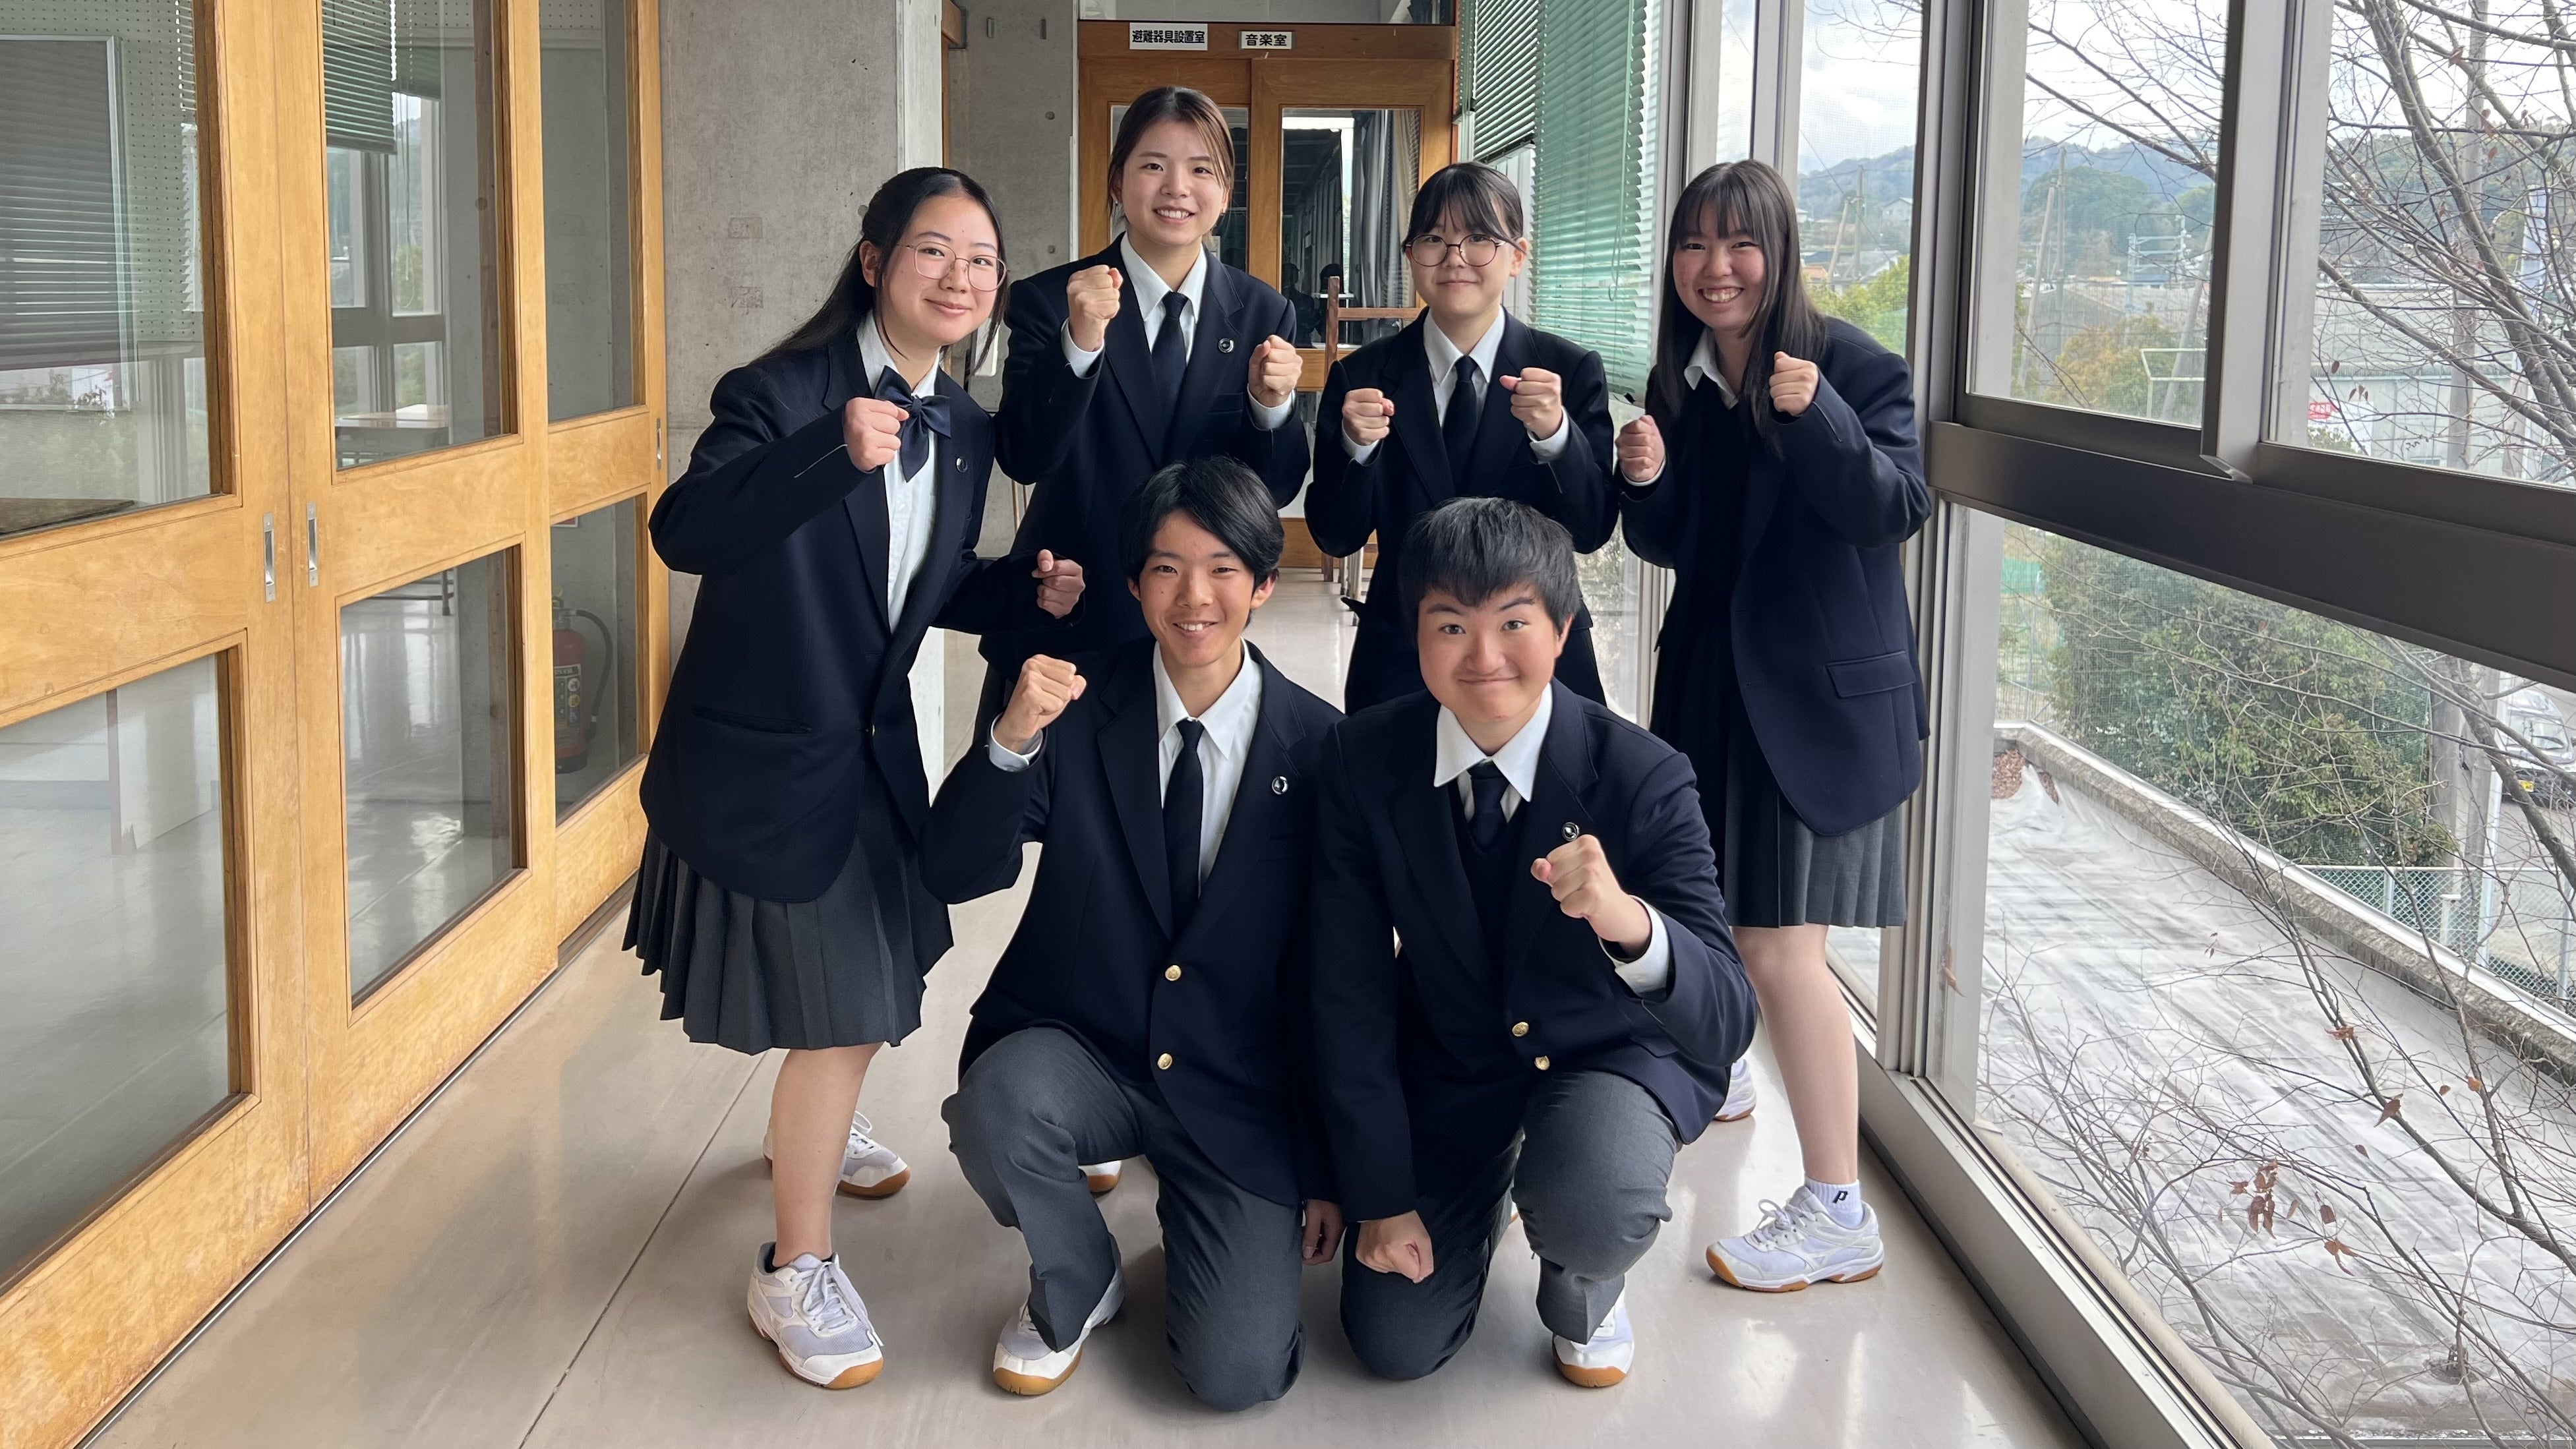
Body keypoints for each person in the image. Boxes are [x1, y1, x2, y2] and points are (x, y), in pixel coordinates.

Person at [627, 167, 1083, 1390]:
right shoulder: (778, 393)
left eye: (981, 261)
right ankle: (795, 1264)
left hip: (872, 749)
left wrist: (1022, 592)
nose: (960, 278)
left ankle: (811, 1136)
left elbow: (914, 584)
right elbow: (685, 532)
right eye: (933, 251)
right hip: (765, 753)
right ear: (875, 261)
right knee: (843, 1013)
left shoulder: (965, 424)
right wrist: (827, 453)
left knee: (882, 977)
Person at [1309, 497, 1758, 1388]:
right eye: (1451, 625)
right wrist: (1380, 1194)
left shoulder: (1643, 775)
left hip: (1606, 1052)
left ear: (1562, 632)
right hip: (1452, 1058)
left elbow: (1727, 1016)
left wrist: (1628, 921)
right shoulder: (1361, 760)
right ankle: (1492, 1188)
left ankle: (1582, 1278)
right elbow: (1346, 988)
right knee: (1393, 1344)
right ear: (1414, 635)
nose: (1483, 656)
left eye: (1514, 622)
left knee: (1591, 1204)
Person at [926, 458, 1344, 1408]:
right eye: (1166, 569)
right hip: (1090, 1044)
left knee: (1235, 1374)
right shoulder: (1077, 708)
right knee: (998, 1107)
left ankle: (1217, 1225)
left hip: (1239, 1087)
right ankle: (1080, 1274)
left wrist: (1325, 1162)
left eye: (1222, 569)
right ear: (1131, 583)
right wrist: (1008, 741)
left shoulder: (1323, 747)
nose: (1194, 597)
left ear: (1264, 583)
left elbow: (1339, 977)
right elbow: (954, 872)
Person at [1613, 159, 1929, 1291]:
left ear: (1778, 251)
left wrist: (1816, 413)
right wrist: (1645, 480)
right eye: (1693, 244)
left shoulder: (1851, 365)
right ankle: (1727, 1069)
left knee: (1782, 948)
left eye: (1737, 242)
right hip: (1714, 689)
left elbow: (1893, 506)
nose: (1715, 268)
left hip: (1815, 704)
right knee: (1711, 910)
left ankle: (1837, 1205)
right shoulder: (1685, 378)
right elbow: (1676, 544)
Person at [986, 84, 1308, 724]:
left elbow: (1272, 488)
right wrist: (1079, 344)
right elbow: (1024, 455)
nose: (1176, 188)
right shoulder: (1050, 300)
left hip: (1196, 627)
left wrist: (1270, 405)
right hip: (1072, 614)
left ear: (1226, 192)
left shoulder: (1263, 312)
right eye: (1153, 165)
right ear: (1117, 181)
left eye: (1201, 170)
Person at [1307, 162, 1620, 713]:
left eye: (1479, 239)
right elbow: (1335, 535)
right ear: (1410, 256)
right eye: (1434, 240)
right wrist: (1356, 449)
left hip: (1538, 656)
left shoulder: (1568, 372)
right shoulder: (1361, 377)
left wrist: (1555, 436)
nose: (1455, 258)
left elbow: (1590, 530)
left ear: (1517, 256)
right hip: (1403, 655)